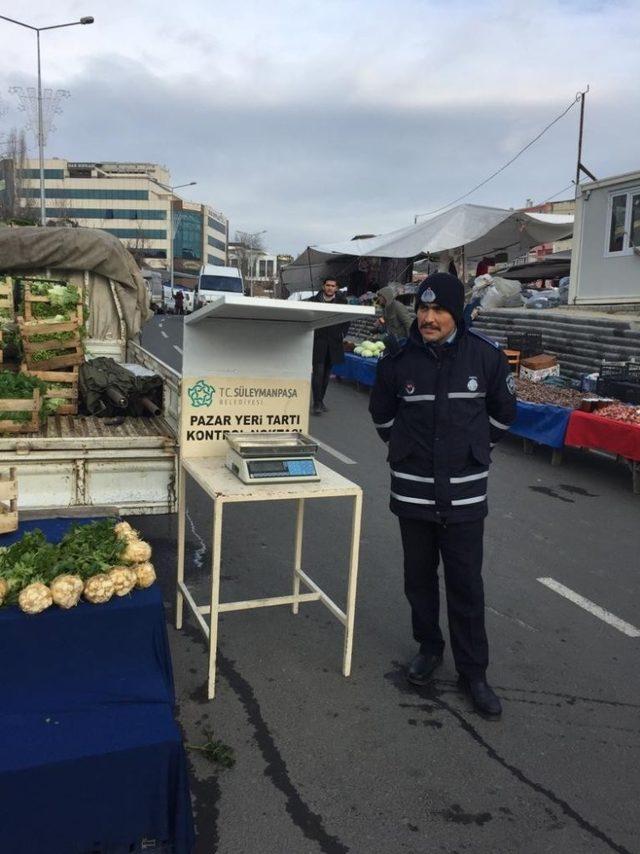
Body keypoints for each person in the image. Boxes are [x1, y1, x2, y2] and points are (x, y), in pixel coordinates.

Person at [368, 272, 516, 718]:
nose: (429, 318)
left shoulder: (485, 358)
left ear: (457, 313)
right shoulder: (398, 360)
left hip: (466, 495)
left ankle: (474, 672)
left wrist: (474, 450)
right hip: (413, 492)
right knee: (419, 578)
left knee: (466, 584)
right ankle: (429, 647)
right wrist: (407, 450)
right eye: (424, 310)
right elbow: (382, 416)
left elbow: (504, 415)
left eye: (439, 310)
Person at [306, 278, 349, 415]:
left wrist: (343, 333)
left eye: (333, 286)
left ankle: (320, 400)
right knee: (318, 372)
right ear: (323, 286)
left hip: (335, 342)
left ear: (336, 288)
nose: (330, 288)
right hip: (318, 341)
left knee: (326, 373)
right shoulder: (314, 300)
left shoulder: (343, 302)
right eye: (328, 285)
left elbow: (346, 319)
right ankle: (317, 403)